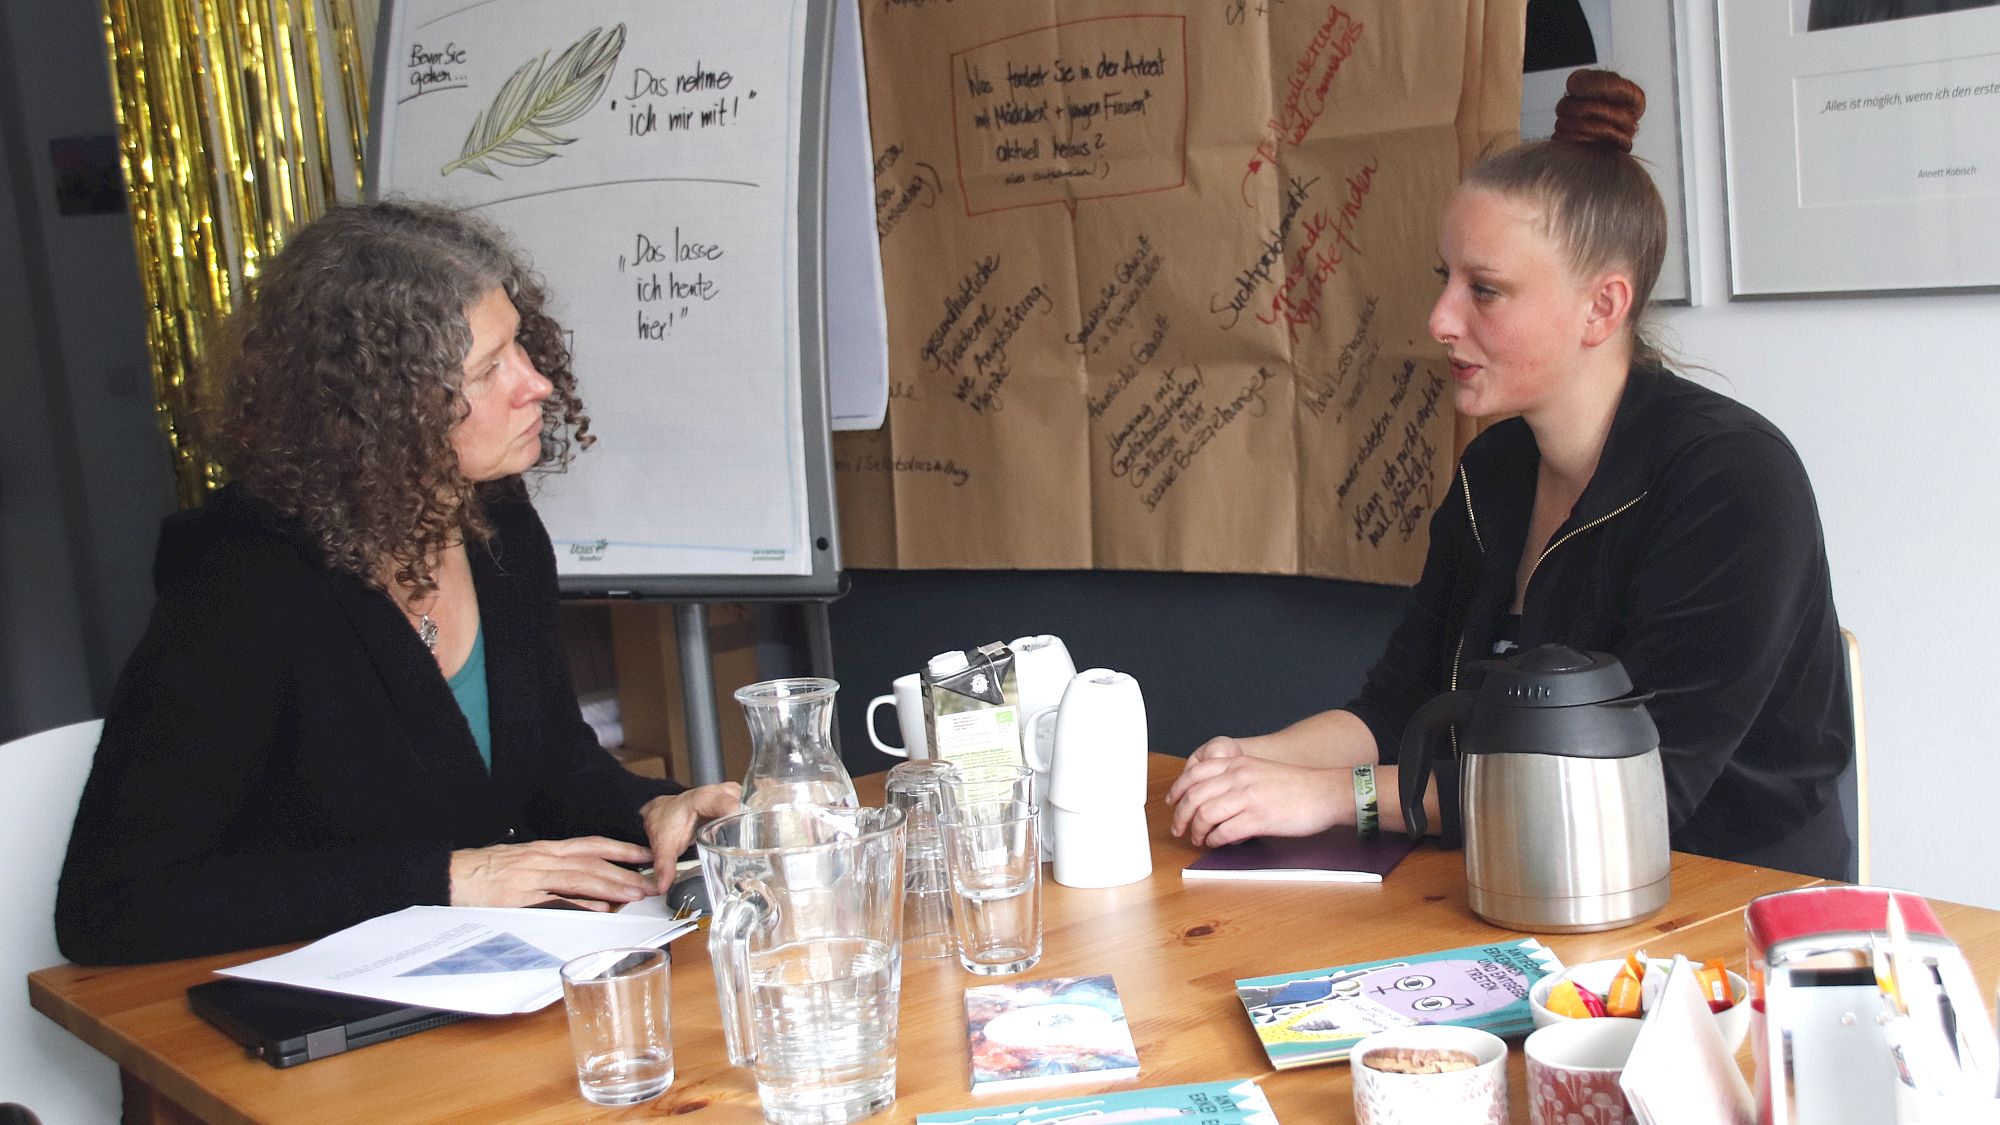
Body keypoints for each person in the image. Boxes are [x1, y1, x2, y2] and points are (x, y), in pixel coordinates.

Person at [1167, 70, 1854, 880]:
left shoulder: (1736, 484)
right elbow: (1401, 709)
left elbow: (1629, 792)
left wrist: (1331, 795)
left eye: (1484, 290)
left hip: (1724, 906)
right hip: (1516, 880)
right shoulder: (1492, 470)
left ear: (1602, 308)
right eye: (1445, 279)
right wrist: (1249, 759)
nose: (1439, 320)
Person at [56, 201, 741, 965]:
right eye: (489, 368)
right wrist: (445, 876)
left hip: (470, 986)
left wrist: (656, 809)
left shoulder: (499, 526)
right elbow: (113, 902)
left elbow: (547, 762)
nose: (537, 383)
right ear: (381, 408)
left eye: (520, 345)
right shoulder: (241, 585)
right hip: (290, 1026)